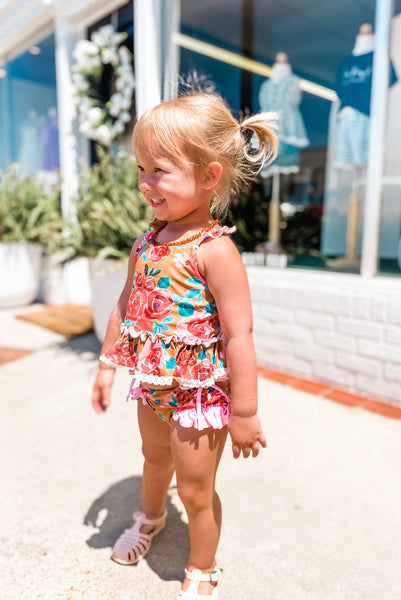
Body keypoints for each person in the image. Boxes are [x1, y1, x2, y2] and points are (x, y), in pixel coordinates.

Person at [91, 92, 278, 599]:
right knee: (153, 461)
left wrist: (245, 410)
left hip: (200, 397)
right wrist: (108, 366)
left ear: (209, 176)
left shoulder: (216, 251)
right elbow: (126, 305)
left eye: (160, 170)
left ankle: (203, 566)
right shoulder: (147, 243)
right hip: (152, 383)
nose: (145, 182)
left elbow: (240, 334)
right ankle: (150, 518)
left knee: (195, 490)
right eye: (141, 168)